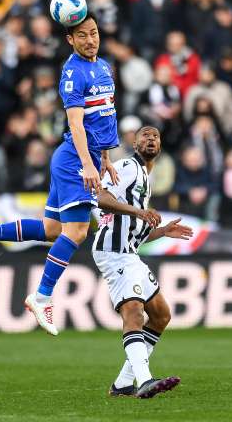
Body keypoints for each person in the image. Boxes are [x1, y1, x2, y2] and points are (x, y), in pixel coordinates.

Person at [0, 14, 123, 336]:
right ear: (69, 41)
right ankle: (42, 295)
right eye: (82, 35)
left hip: (83, 157)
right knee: (76, 232)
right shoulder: (73, 73)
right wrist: (89, 163)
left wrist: (105, 157)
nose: (90, 40)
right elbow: (75, 124)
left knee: (51, 229)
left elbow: (103, 117)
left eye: (94, 33)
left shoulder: (103, 67)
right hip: (75, 158)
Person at [94, 126, 190, 398]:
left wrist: (161, 231)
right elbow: (102, 198)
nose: (151, 139)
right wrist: (140, 211)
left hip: (128, 252)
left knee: (160, 315)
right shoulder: (126, 166)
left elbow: (135, 230)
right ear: (134, 143)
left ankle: (123, 384)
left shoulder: (145, 177)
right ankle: (145, 379)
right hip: (112, 251)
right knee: (134, 312)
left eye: (156, 136)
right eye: (145, 136)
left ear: (160, 145)